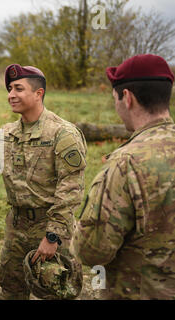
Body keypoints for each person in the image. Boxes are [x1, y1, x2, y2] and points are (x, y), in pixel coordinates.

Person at [0, 64, 87, 300]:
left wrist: (52, 236)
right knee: (11, 288)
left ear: (38, 94)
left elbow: (71, 189)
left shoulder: (63, 134)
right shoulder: (6, 133)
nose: (11, 94)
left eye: (18, 89)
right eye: (10, 89)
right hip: (17, 226)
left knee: (56, 291)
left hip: (50, 226)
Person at [70, 54, 175, 300]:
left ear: (126, 98)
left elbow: (93, 251)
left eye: (114, 98)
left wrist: (73, 233)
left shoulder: (125, 163)